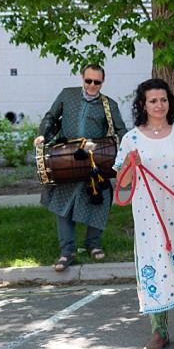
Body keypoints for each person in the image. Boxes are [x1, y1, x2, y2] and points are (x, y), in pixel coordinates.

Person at [113, 78, 174, 349]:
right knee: (156, 262)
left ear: (170, 102)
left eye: (163, 100)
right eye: (153, 100)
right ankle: (159, 331)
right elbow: (125, 182)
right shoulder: (131, 139)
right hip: (149, 216)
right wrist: (131, 163)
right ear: (143, 104)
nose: (159, 105)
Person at [34, 64, 127, 271]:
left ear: (102, 82)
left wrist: (127, 150)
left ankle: (93, 244)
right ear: (82, 78)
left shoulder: (108, 104)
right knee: (63, 203)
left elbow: (120, 129)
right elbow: (52, 117)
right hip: (65, 158)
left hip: (95, 160)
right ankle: (67, 251)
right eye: (89, 81)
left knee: (99, 201)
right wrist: (43, 135)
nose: (92, 85)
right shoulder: (67, 95)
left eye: (97, 82)